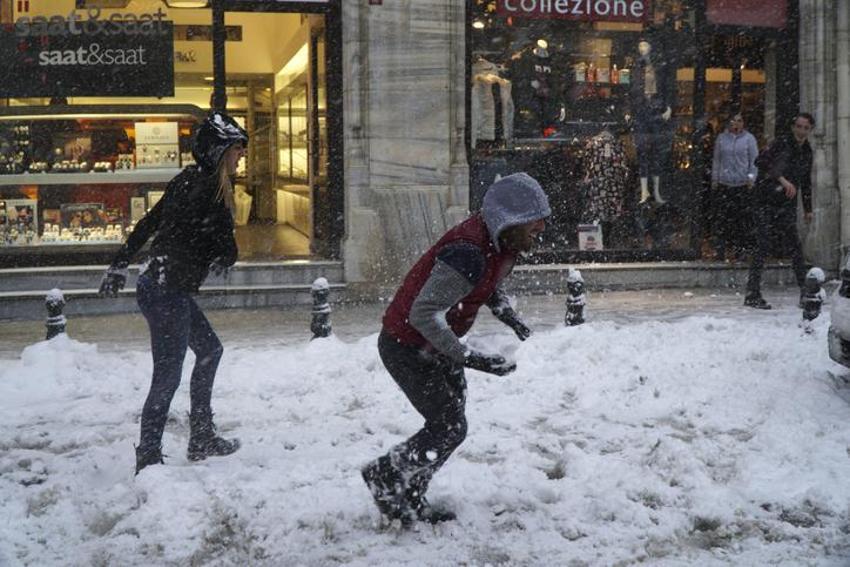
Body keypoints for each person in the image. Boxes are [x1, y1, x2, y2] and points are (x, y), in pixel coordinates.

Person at [361, 172, 550, 526]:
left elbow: (487, 284)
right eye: (533, 227)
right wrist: (470, 357)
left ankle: (412, 491)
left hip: (437, 347)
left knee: (450, 423)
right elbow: (423, 313)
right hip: (407, 346)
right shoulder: (468, 252)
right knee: (449, 426)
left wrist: (507, 315)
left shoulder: (500, 244)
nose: (538, 233)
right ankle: (385, 474)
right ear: (510, 220)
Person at [98, 112, 248, 474]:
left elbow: (150, 223)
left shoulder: (188, 180)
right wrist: (223, 245)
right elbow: (225, 249)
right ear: (218, 151)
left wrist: (120, 263)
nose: (240, 157)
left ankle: (201, 436)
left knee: (210, 350)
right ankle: (148, 456)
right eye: (236, 150)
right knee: (167, 376)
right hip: (166, 290)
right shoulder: (209, 191)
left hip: (162, 284)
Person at [744, 112, 815, 309]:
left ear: (810, 130)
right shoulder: (782, 143)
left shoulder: (807, 151)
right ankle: (752, 293)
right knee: (763, 244)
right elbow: (761, 161)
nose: (801, 131)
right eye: (799, 126)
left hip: (786, 204)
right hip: (765, 199)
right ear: (794, 127)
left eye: (805, 128)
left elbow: (806, 182)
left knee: (795, 247)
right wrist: (782, 180)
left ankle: (805, 292)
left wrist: (807, 208)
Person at [710, 112, 759, 260]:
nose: (736, 124)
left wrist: (751, 178)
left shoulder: (749, 139)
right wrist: (715, 179)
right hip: (725, 183)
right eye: (733, 121)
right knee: (724, 218)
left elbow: (754, 161)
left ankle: (741, 250)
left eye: (739, 121)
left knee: (741, 219)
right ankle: (721, 250)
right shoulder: (721, 139)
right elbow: (717, 160)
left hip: (742, 184)